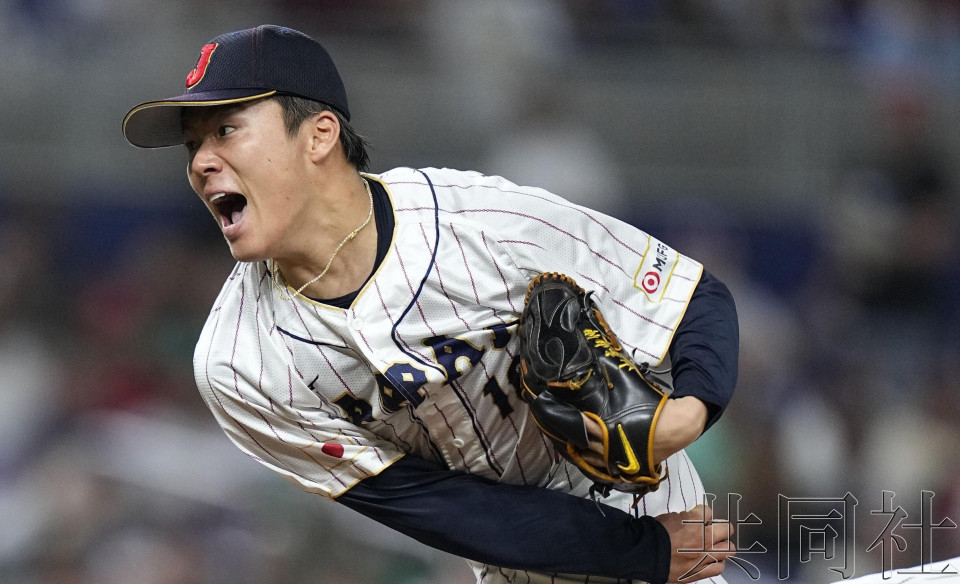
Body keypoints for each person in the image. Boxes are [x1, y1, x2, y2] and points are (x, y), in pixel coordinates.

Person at [122, 24, 740, 584]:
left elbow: (692, 295)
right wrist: (640, 553)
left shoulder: (482, 222)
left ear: (319, 135)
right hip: (530, 559)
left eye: (225, 130)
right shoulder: (237, 363)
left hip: (659, 510)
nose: (201, 163)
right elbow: (439, 507)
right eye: (192, 145)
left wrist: (687, 415)